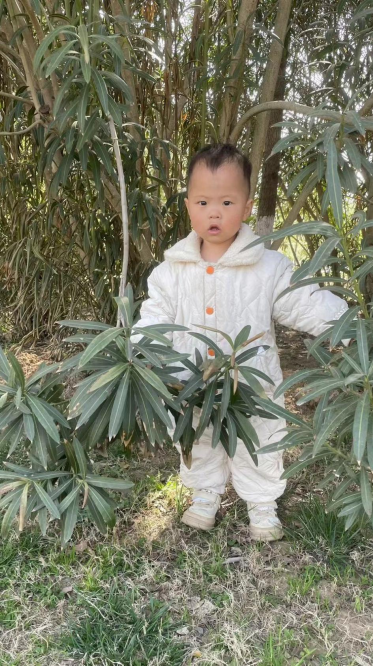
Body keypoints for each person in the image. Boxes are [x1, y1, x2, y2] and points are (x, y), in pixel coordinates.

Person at [134, 143, 347, 541]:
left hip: (252, 386)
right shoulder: (170, 271)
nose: (214, 212)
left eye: (227, 201)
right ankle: (205, 496)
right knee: (198, 438)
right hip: (192, 384)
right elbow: (154, 317)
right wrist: (140, 354)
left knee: (261, 440)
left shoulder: (269, 266)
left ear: (247, 207)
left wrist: (352, 324)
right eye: (203, 201)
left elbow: (305, 302)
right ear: (188, 206)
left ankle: (263, 504)